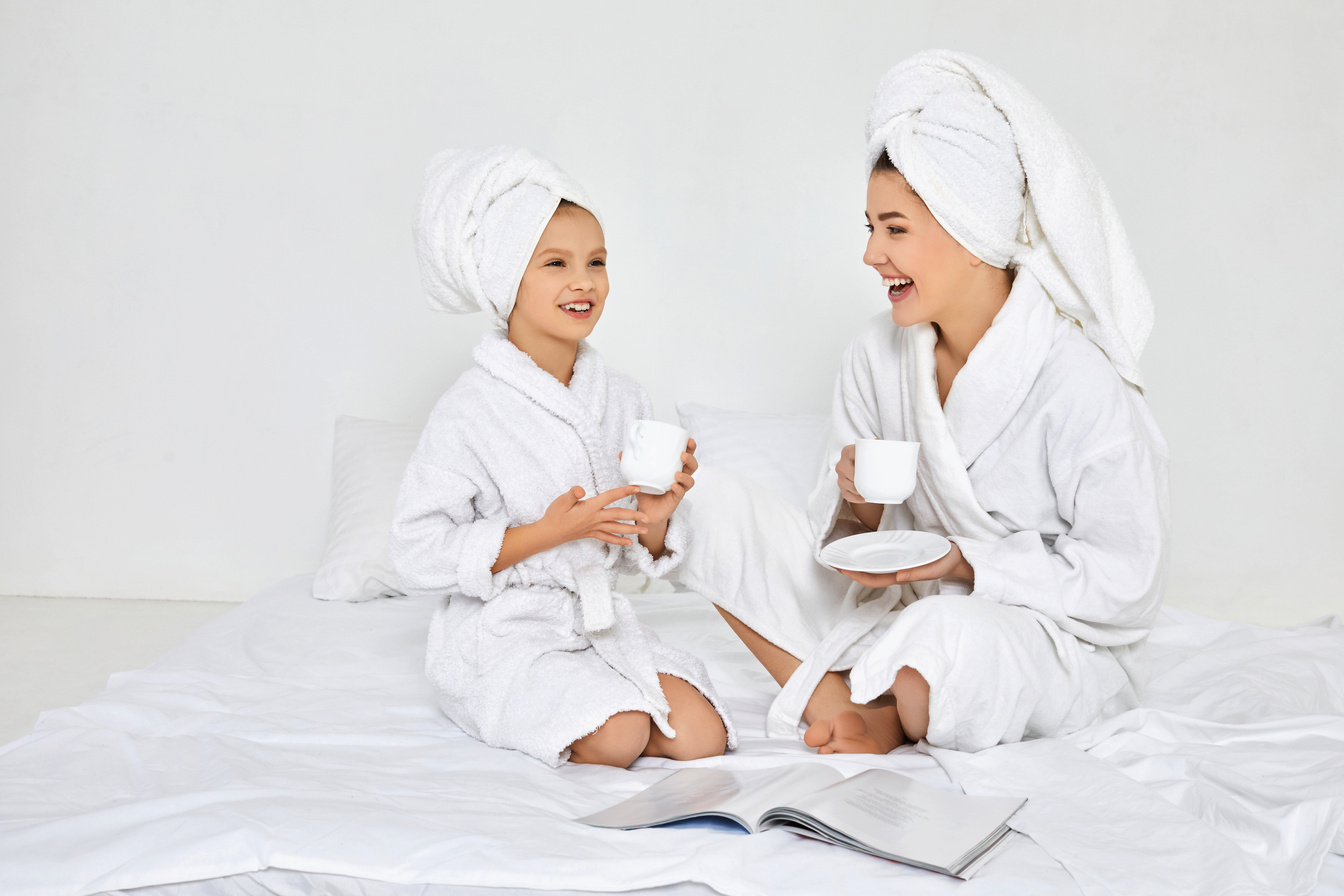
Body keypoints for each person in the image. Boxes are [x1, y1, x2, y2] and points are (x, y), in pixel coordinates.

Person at [701, 50, 1169, 754]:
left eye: (895, 230)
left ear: (970, 232)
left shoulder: (1077, 379)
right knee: (707, 508)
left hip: (1027, 633)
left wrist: (963, 563)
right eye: (870, 229)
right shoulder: (875, 353)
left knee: (947, 642)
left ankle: (883, 706)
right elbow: (849, 544)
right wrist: (857, 503)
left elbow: (1126, 581)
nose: (871, 256)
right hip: (898, 609)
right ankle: (874, 694)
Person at [391, 146, 734, 768]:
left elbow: (639, 555)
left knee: (703, 739)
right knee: (623, 736)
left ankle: (599, 700)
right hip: (507, 630)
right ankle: (535, 701)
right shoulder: (470, 408)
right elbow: (417, 552)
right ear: (506, 280)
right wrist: (550, 533)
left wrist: (656, 515)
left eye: (597, 262)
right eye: (556, 263)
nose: (584, 281)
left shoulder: (622, 396)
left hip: (595, 620)